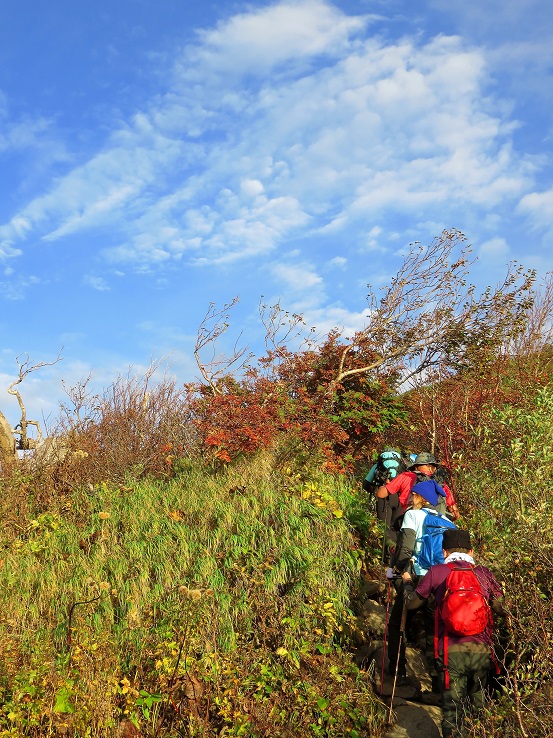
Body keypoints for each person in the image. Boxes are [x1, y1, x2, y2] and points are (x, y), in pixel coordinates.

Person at [402, 528, 504, 738]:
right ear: (471, 551)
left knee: (452, 712)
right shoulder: (484, 574)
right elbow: (502, 607)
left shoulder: (438, 572)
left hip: (450, 653)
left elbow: (412, 604)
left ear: (445, 552)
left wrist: (407, 584)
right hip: (481, 650)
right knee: (479, 707)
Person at [386, 479, 454, 686]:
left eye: (413, 495)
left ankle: (398, 671)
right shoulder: (449, 522)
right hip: (442, 582)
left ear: (420, 498)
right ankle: (437, 680)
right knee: (435, 630)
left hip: (418, 578)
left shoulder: (412, 515)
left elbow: (406, 549)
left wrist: (395, 570)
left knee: (398, 623)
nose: (409, 498)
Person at [376, 452, 460, 547]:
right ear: (429, 467)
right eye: (434, 466)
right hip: (434, 527)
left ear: (416, 466)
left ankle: (387, 538)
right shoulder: (441, 485)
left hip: (407, 521)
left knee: (387, 500)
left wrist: (384, 485)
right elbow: (455, 514)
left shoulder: (407, 476)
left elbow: (381, 494)